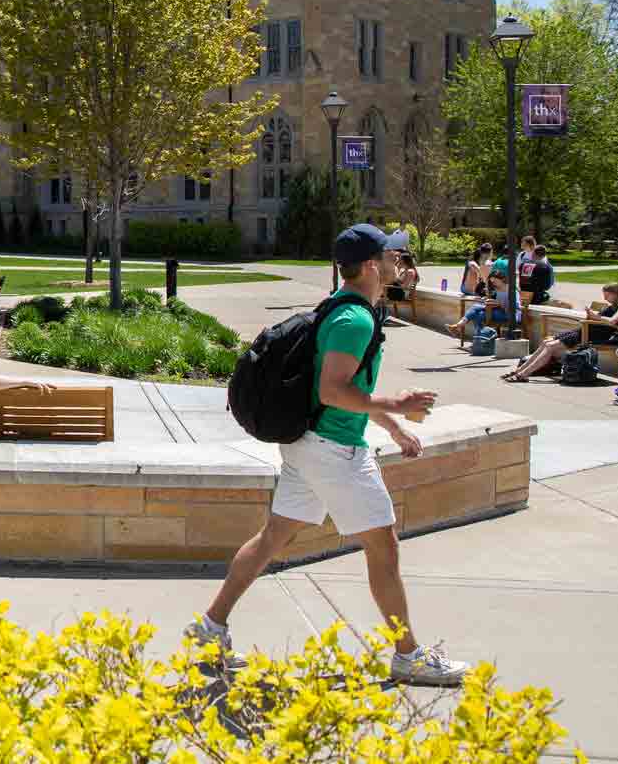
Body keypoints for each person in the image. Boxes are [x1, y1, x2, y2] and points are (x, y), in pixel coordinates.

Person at [187, 224, 469, 686]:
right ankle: (408, 655)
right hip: (333, 451)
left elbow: (345, 391)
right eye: (392, 256)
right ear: (371, 265)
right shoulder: (354, 319)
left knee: (273, 538)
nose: (399, 264)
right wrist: (395, 405)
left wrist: (392, 425)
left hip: (308, 446)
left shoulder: (343, 311)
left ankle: (210, 627)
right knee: (383, 547)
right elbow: (333, 391)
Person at [506, 283, 618, 382]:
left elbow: (613, 321)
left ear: (616, 294)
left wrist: (597, 317)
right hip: (585, 331)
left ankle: (524, 374)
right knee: (547, 342)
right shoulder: (610, 306)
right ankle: (519, 371)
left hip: (593, 335)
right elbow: (601, 320)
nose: (604, 297)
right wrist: (591, 315)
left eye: (607, 294)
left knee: (550, 346)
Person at [446, 270, 512, 339]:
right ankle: (480, 337)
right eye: (492, 282)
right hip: (498, 311)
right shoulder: (497, 289)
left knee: (476, 308)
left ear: (502, 279)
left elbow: (514, 306)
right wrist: (486, 299)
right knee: (479, 314)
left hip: (508, 314)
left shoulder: (510, 289)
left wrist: (499, 304)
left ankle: (461, 328)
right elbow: (495, 301)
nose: (494, 284)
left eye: (495, 281)